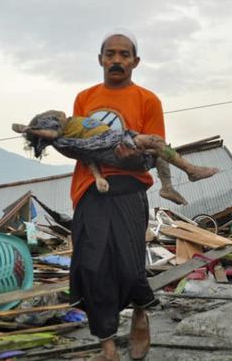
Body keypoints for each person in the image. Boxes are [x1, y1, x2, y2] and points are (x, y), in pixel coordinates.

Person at [67, 29, 166, 361]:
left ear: (135, 62)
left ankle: (140, 313)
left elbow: (155, 153)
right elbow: (78, 145)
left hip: (129, 188)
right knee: (92, 267)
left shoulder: (148, 100)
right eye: (110, 54)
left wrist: (133, 158)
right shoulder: (84, 98)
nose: (117, 60)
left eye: (124, 55)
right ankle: (107, 345)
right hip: (91, 188)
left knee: (128, 264)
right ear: (100, 60)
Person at [11, 110, 219, 205]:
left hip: (114, 138)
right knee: (155, 141)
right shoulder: (63, 139)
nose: (61, 115)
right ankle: (191, 171)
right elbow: (87, 156)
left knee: (160, 151)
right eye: (56, 118)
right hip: (111, 145)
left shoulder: (72, 126)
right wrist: (29, 129)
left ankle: (167, 187)